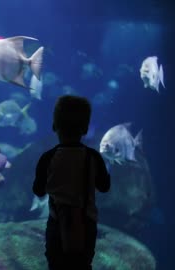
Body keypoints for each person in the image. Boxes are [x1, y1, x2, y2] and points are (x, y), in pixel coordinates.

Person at [32, 95, 110, 270]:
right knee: (83, 264)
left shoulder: (48, 158)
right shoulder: (93, 157)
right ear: (85, 129)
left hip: (56, 225)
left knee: (56, 264)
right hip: (86, 224)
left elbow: (38, 191)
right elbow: (104, 187)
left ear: (54, 126)